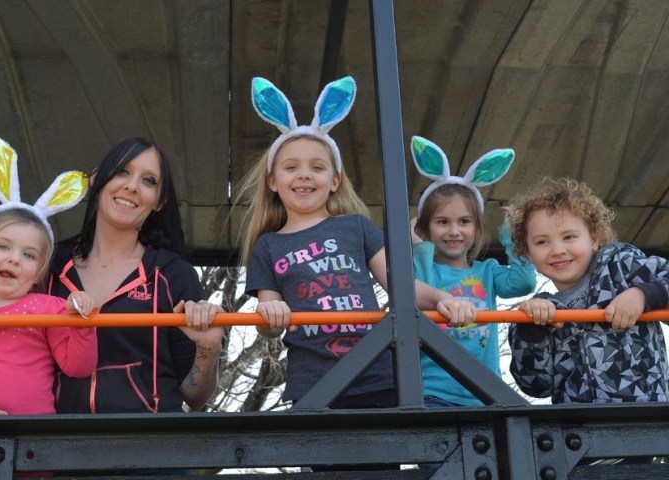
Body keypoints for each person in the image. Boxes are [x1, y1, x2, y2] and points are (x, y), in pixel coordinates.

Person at [231, 76, 476, 415]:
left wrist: (443, 298)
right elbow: (269, 323)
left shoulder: (356, 227)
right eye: (291, 167)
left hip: (376, 373)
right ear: (273, 181)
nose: (304, 175)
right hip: (315, 383)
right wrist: (270, 315)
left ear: (335, 181)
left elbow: (400, 286)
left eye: (317, 167)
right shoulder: (267, 246)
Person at [47, 137, 225, 416]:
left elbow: (195, 397)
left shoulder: (174, 274)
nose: (131, 186)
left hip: (151, 447)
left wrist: (209, 348)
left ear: (160, 201)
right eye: (122, 171)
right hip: (55, 446)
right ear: (96, 179)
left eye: (149, 181)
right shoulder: (50, 265)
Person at [0, 137, 97, 415]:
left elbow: (77, 368)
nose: (14, 258)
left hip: (35, 437)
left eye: (29, 255)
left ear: (39, 271)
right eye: (3, 246)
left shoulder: (49, 308)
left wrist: (82, 324)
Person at [507, 177, 668, 405]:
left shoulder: (620, 266)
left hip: (644, 418)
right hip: (578, 431)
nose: (557, 250)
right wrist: (531, 330)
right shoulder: (539, 311)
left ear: (594, 239)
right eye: (542, 242)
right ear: (528, 254)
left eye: (569, 237)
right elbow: (536, 386)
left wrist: (644, 294)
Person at [409, 136, 536, 409]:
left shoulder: (487, 271)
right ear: (426, 228)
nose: (454, 231)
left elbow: (523, 283)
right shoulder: (425, 268)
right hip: (432, 393)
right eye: (442, 222)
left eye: (464, 222)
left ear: (477, 228)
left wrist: (512, 237)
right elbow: (413, 290)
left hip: (484, 393)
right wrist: (419, 248)